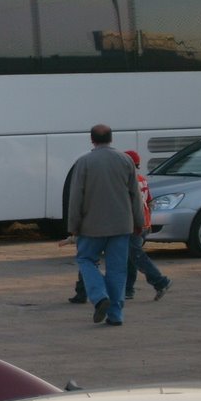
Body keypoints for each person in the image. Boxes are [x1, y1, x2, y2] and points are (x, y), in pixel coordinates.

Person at [66, 124, 144, 326]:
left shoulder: (84, 162)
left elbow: (76, 197)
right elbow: (135, 195)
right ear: (111, 139)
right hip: (121, 225)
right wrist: (139, 222)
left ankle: (100, 297)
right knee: (118, 270)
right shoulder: (125, 160)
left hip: (91, 226)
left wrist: (73, 226)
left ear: (92, 140)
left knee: (86, 259)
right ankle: (116, 315)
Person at [123, 150, 173, 301]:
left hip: (134, 225)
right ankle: (128, 289)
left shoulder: (128, 181)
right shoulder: (142, 179)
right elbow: (149, 202)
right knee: (130, 257)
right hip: (144, 223)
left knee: (137, 256)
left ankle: (160, 281)